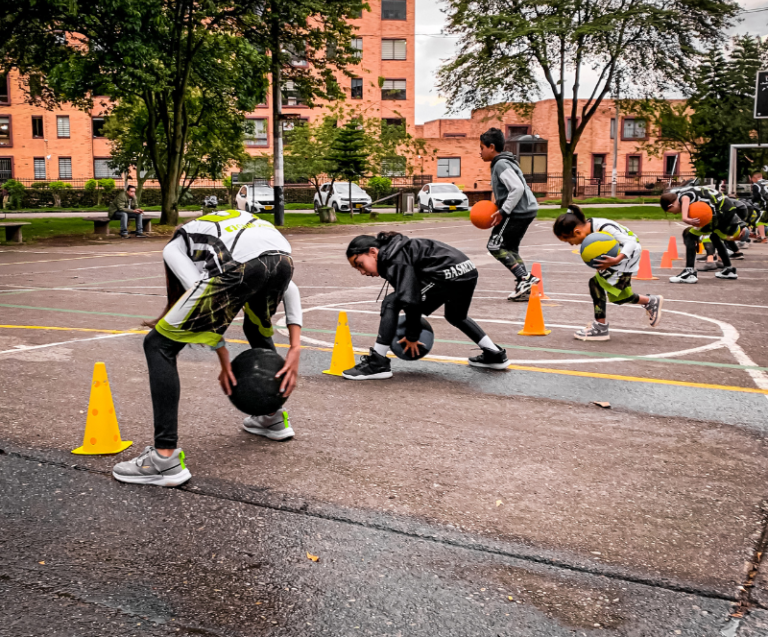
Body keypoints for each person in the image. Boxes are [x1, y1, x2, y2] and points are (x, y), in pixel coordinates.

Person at [112, 209, 303, 487]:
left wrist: (223, 355)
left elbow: (200, 298)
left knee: (158, 345)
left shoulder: (177, 246)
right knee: (256, 326)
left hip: (243, 263)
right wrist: (295, 346)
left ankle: (164, 460)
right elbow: (290, 287)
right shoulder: (220, 225)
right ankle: (271, 416)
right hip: (283, 257)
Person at [343, 231, 510, 379]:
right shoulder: (395, 250)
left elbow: (411, 300)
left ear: (373, 252)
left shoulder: (395, 259)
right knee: (455, 316)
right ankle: (494, 354)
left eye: (360, 264)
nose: (362, 272)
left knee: (391, 302)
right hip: (467, 270)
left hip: (446, 275)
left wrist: (412, 336)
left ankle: (377, 363)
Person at [553, 205, 663, 341]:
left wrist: (616, 259)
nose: (572, 244)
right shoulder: (590, 227)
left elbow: (631, 243)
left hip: (625, 258)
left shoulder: (603, 227)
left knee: (595, 284)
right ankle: (650, 301)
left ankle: (600, 328)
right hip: (619, 258)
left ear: (577, 232)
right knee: (619, 297)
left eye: (569, 241)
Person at [479, 127, 539, 301]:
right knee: (510, 249)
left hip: (517, 211)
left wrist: (503, 211)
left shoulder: (501, 163)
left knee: (495, 246)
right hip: (527, 209)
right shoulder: (505, 161)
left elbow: (517, 188)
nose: (480, 152)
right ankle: (524, 285)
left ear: (491, 147)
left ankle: (525, 278)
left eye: (482, 148)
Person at [660, 186, 747, 284]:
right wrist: (741, 222)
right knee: (714, 237)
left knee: (689, 235)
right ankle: (729, 269)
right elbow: (726, 203)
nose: (675, 214)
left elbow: (686, 198)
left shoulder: (682, 195)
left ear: (670, 205)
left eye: (671, 212)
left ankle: (689, 272)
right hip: (725, 210)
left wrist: (685, 218)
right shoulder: (690, 192)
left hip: (719, 213)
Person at [749, 170, 768, 243]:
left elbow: (755, 197)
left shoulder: (756, 185)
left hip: (766, 204)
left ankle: (763, 238)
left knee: (759, 221)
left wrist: (751, 201)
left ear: (754, 178)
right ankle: (761, 235)